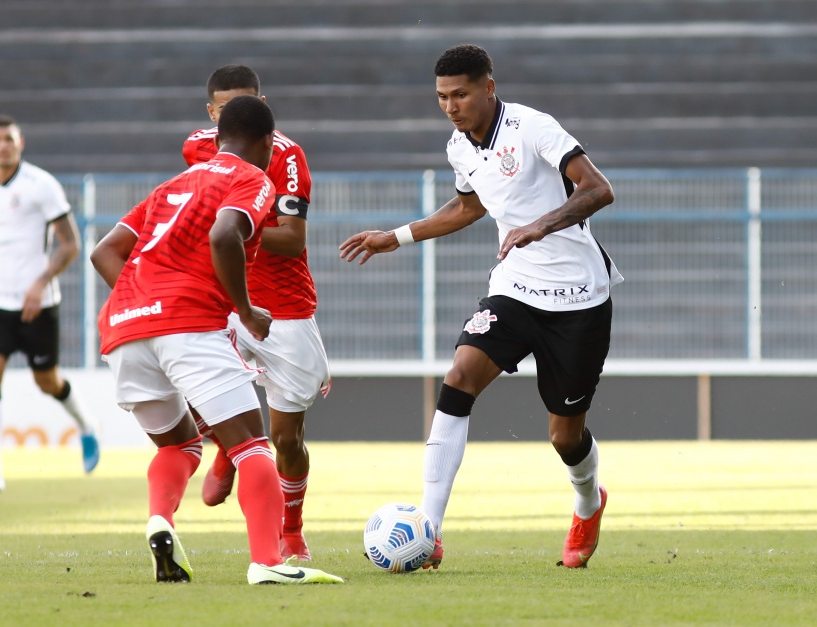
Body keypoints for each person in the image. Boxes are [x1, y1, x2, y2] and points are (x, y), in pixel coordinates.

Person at [340, 44, 623, 569]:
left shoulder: (532, 127)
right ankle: (429, 529)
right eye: (442, 96)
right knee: (461, 373)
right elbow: (469, 206)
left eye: (461, 94)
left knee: (565, 435)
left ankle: (588, 502)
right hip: (514, 288)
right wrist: (396, 237)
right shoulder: (459, 146)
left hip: (578, 297)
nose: (450, 105)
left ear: (488, 88)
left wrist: (542, 223)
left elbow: (598, 188)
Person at [90, 95, 342, 585]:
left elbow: (105, 252)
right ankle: (268, 562)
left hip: (124, 326)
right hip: (186, 323)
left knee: (180, 444)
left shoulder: (172, 185)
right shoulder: (252, 178)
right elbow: (226, 234)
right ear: (269, 142)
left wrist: (147, 302)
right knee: (252, 446)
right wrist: (245, 311)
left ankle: (161, 522)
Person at [181, 64, 330, 561]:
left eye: (249, 105)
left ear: (263, 107)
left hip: (283, 309)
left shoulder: (287, 157)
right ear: (212, 114)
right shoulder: (196, 149)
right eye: (226, 109)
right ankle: (232, 443)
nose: (238, 117)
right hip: (225, 302)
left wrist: (234, 227)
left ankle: (293, 525)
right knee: (187, 380)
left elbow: (292, 240)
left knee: (287, 439)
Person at [0, 115, 99, 492]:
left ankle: (88, 425)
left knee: (47, 381)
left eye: (9, 138)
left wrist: (40, 284)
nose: (3, 145)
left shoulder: (42, 186)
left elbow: (70, 243)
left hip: (37, 303)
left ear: (20, 143)